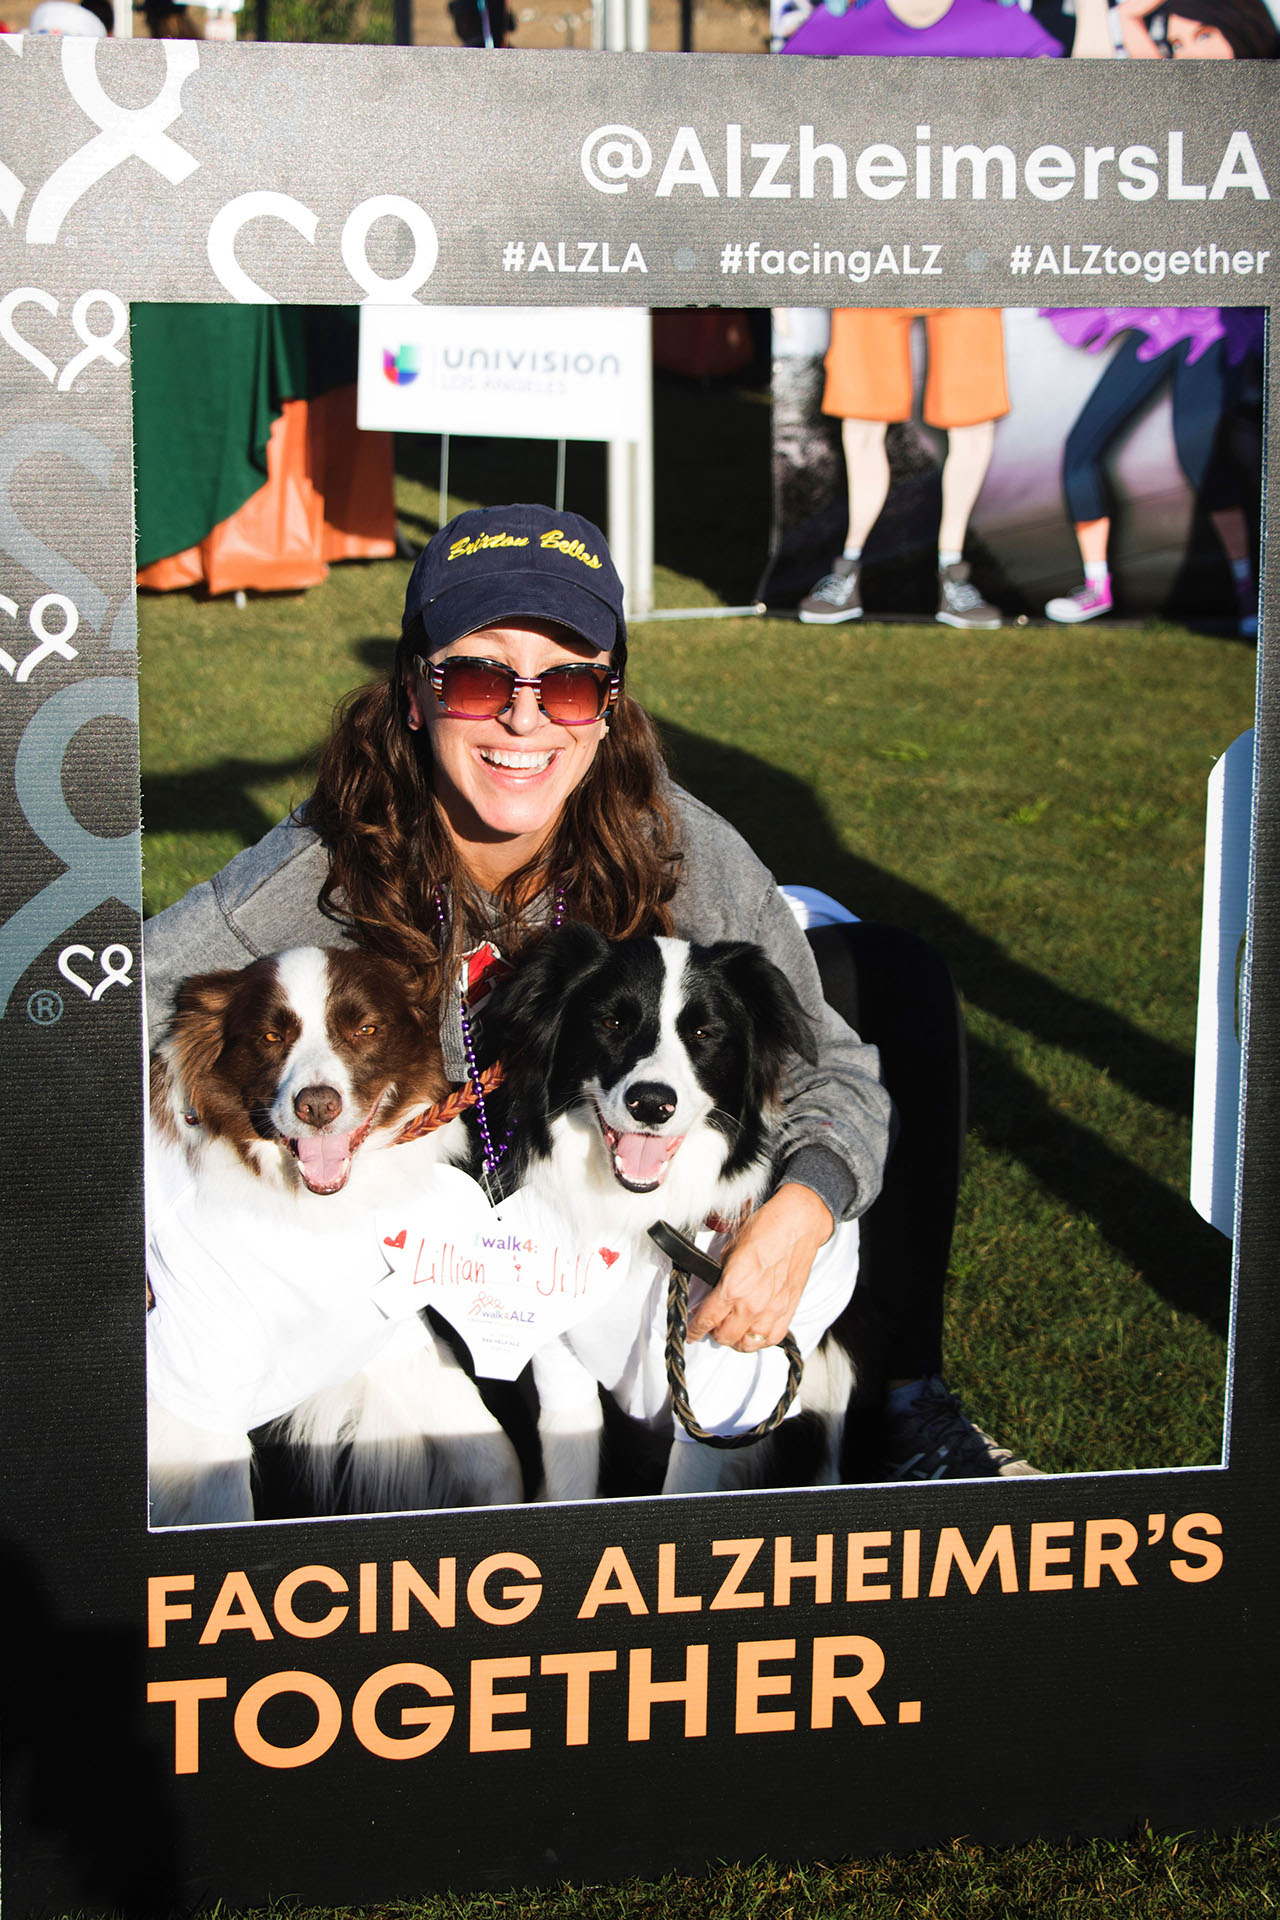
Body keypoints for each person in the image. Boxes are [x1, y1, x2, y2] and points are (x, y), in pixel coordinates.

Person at [143, 502, 1035, 1481]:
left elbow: (833, 1075)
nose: (524, 717)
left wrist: (804, 1208)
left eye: (567, 683)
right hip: (415, 1230)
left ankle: (906, 1393)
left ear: (608, 706)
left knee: (889, 973)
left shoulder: (675, 841)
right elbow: (106, 1010)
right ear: (413, 693)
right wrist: (109, 1228)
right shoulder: (318, 869)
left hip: (586, 1217)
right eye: (480, 677)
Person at [784, 0, 1112, 631]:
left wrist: (1096, 12)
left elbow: (1084, 99)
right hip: (867, 251)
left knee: (971, 416)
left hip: (969, 250)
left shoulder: (999, 23)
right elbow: (767, 101)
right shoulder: (847, 24)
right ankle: (850, 565)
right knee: (862, 418)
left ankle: (951, 569)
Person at [1042, 0, 1275, 629]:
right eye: (1180, 42)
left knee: (1206, 452)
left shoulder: (1266, 107)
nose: (1192, 51)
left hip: (1231, 320)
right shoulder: (1172, 97)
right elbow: (1130, 26)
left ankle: (1250, 594)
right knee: (1081, 446)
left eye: (1206, 34)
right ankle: (1097, 585)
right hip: (1164, 311)